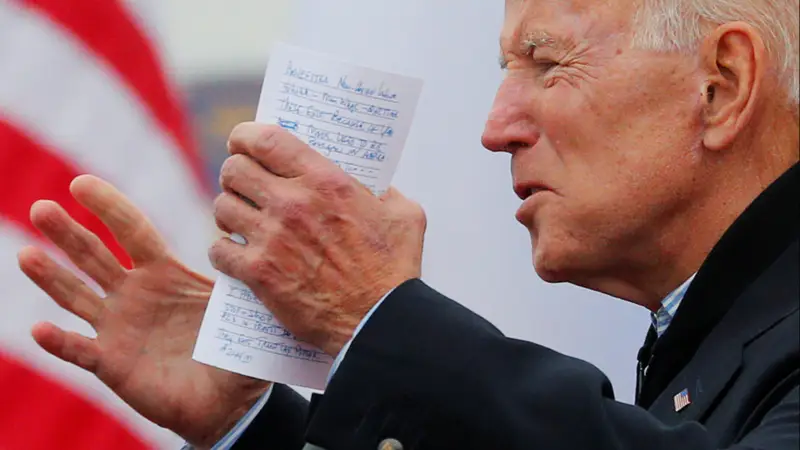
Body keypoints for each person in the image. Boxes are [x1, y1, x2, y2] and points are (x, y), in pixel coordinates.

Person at [17, 0, 798, 447]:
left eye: (548, 63)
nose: (496, 128)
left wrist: (381, 319)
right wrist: (247, 419)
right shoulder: (714, 336)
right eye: (505, 72)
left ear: (722, 85)